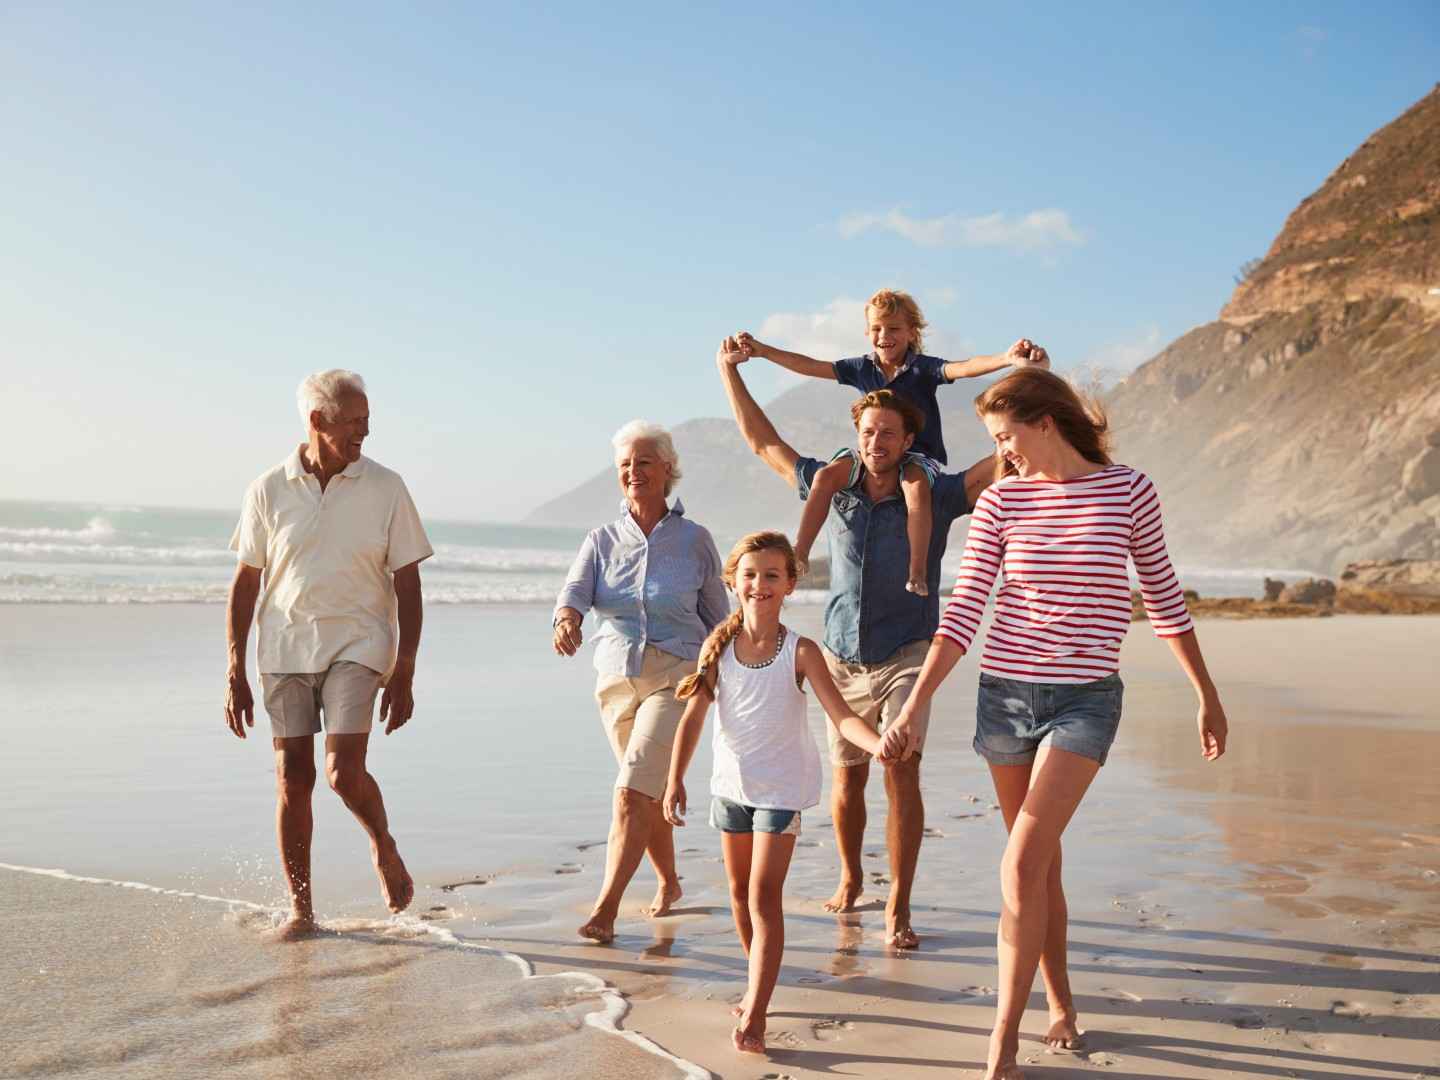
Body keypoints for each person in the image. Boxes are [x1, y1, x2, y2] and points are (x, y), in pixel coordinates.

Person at [880, 367, 1231, 1080]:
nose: (1002, 453)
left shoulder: (1128, 491)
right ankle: (1061, 1002)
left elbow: (1162, 599)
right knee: (1038, 865)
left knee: (1019, 863)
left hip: (1083, 702)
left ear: (1046, 421)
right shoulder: (1004, 501)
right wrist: (917, 702)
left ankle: (1002, 1038)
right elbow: (966, 608)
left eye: (1006, 436)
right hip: (1005, 698)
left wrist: (1206, 693)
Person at [714, 336, 990, 949]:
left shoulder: (935, 494)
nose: (876, 442)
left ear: (907, 441)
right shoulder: (831, 486)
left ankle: (899, 903)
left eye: (888, 433)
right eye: (868, 431)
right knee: (848, 780)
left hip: (908, 652)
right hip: (841, 655)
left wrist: (1029, 398)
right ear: (857, 434)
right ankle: (850, 876)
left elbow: (998, 464)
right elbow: (764, 443)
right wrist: (730, 373)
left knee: (900, 768)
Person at [224, 369, 433, 940]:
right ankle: (302, 909)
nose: (365, 430)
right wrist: (234, 668)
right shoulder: (268, 488)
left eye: (367, 419)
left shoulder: (387, 487)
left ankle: (382, 843)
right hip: (285, 646)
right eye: (354, 421)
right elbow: (246, 582)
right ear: (317, 421)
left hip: (360, 642)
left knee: (341, 773)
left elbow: (408, 583)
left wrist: (406, 666)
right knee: (293, 777)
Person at [662, 531, 884, 1055]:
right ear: (733, 582)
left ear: (789, 585)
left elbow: (843, 716)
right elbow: (693, 719)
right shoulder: (718, 648)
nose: (759, 584)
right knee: (738, 898)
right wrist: (674, 778)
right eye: (750, 575)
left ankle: (757, 1010)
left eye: (771, 576)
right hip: (731, 790)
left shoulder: (800, 651)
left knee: (763, 898)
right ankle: (758, 980)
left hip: (780, 792)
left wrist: (878, 744)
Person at [738, 288, 1045, 594]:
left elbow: (963, 367)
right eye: (876, 328)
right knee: (825, 476)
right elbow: (810, 365)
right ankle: (800, 553)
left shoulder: (922, 368)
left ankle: (917, 571)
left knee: (915, 489)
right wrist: (764, 351)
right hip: (871, 453)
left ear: (912, 333)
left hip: (917, 456)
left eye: (894, 328)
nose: (884, 335)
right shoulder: (862, 368)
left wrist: (1006, 359)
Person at [553, 420, 729, 944]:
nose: (634, 471)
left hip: (676, 676)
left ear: (668, 470)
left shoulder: (695, 540)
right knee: (644, 793)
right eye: (626, 464)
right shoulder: (602, 540)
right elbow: (573, 592)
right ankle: (670, 882)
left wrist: (720, 681)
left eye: (645, 462)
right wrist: (566, 621)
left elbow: (719, 617)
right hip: (614, 679)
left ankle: (605, 910)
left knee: (630, 792)